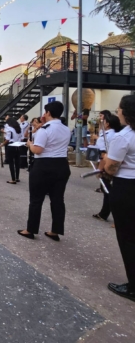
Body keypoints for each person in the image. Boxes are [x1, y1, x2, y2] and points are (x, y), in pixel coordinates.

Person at [98, 95, 135, 302]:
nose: (117, 112)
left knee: (128, 238)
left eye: (119, 109)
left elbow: (112, 167)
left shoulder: (124, 137)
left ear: (127, 113)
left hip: (127, 187)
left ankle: (133, 286)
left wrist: (104, 165)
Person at [18, 101, 71, 241]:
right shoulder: (66, 129)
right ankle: (56, 230)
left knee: (36, 199)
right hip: (61, 165)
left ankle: (31, 229)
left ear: (47, 113)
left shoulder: (45, 129)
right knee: (58, 199)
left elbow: (38, 150)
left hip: (44, 166)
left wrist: (30, 144)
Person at [92, 114, 122, 222]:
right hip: (118, 166)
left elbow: (102, 155)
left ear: (107, 124)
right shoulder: (117, 134)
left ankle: (106, 214)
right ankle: (105, 213)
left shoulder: (104, 137)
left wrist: (100, 170)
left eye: (103, 122)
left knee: (107, 191)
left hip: (107, 165)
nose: (101, 124)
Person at [0, 117, 22, 184]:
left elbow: (7, 139)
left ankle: (13, 178)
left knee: (11, 162)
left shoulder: (9, 129)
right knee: (17, 162)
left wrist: (2, 144)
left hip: (11, 146)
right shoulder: (18, 129)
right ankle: (17, 177)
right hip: (18, 145)